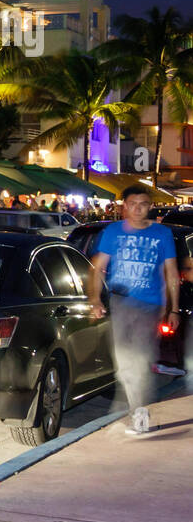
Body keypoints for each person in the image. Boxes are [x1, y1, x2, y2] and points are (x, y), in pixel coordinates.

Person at [86, 185, 182, 438]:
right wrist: (95, 299)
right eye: (133, 204)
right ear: (124, 206)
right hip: (120, 303)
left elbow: (172, 273)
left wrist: (174, 309)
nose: (138, 208)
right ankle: (133, 406)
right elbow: (97, 268)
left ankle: (139, 414)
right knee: (123, 364)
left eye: (144, 204)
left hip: (150, 305)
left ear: (150, 206)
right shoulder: (112, 232)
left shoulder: (162, 233)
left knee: (140, 360)